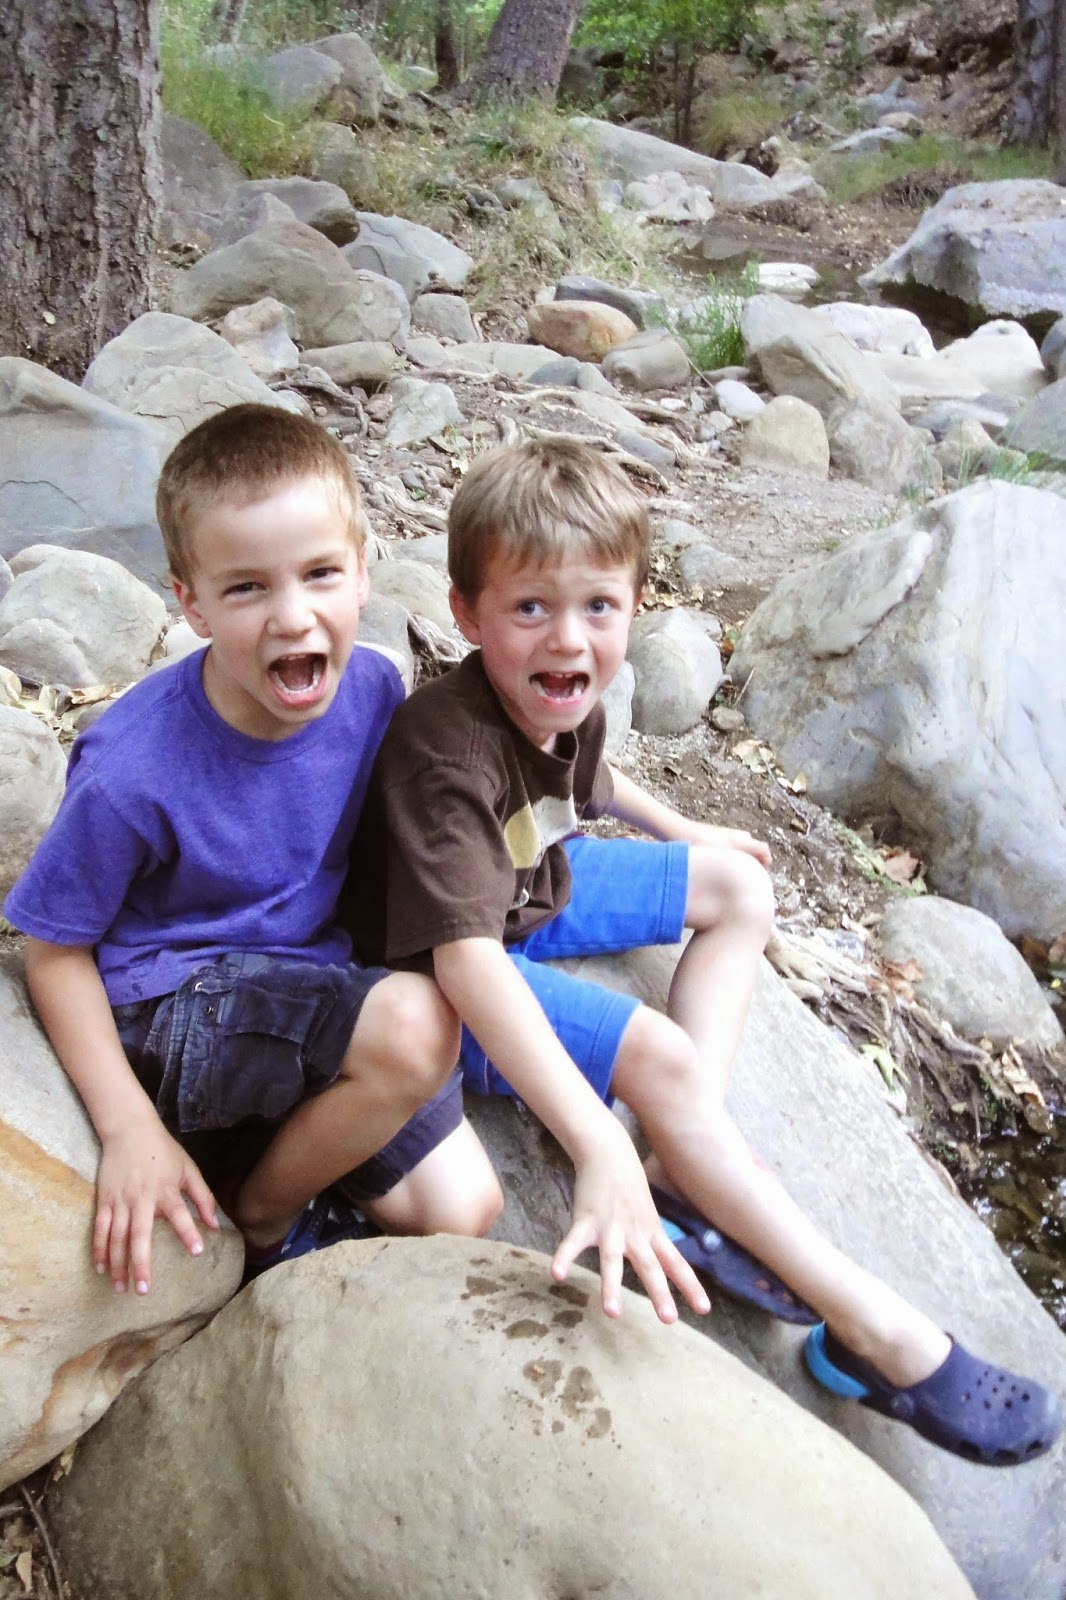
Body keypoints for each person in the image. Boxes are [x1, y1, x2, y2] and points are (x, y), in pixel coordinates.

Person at [343, 437, 1061, 1467]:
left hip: (532, 885)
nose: (569, 638)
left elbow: (588, 787)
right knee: (661, 1059)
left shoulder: (559, 692)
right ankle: (873, 1329)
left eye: (598, 606)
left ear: (634, 605)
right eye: (530, 606)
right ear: (466, 613)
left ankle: (682, 1161)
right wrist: (594, 1140)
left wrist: (683, 826)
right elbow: (464, 962)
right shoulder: (442, 751)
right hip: (443, 969)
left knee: (739, 889)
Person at [4, 403, 500, 1298]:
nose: (292, 616)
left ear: (363, 570)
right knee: (419, 1028)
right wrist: (125, 1126)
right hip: (177, 1006)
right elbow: (53, 950)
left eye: (320, 574)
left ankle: (264, 1154)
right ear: (190, 603)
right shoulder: (133, 767)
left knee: (463, 1206)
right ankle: (262, 1220)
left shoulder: (373, 690)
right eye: (246, 589)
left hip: (306, 988)